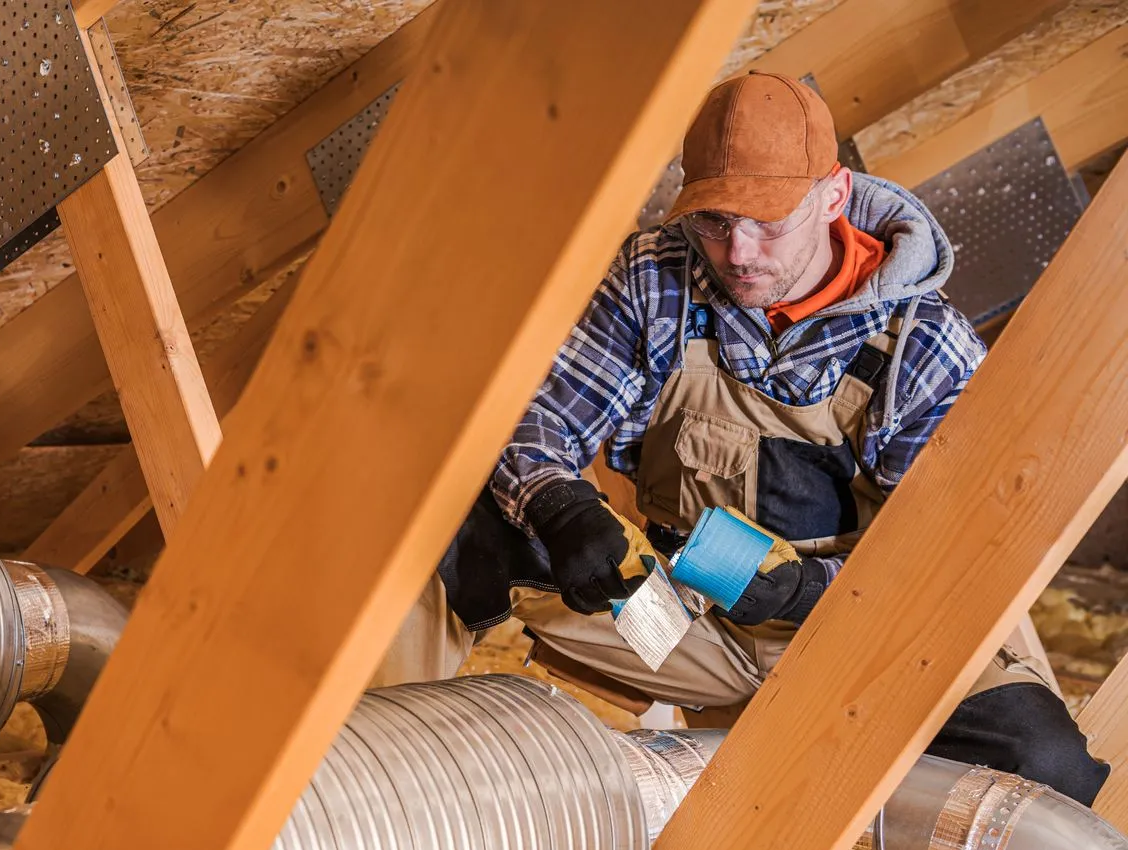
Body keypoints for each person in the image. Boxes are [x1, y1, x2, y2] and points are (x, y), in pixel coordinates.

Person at [422, 70, 1108, 803]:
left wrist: (810, 590)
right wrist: (563, 509)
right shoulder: (657, 277)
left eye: (768, 223)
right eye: (714, 222)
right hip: (681, 616)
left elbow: (944, 561)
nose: (738, 253)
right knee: (445, 523)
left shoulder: (922, 343)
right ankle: (373, 785)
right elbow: (543, 421)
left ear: (834, 196)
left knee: (1046, 770)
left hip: (863, 633)